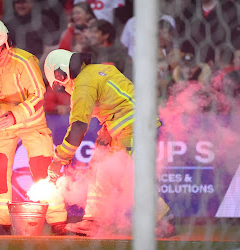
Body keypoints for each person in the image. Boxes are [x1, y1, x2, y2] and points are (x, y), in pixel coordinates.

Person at [43, 49, 173, 237]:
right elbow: (118, 98)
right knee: (99, 168)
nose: (62, 88)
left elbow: (78, 127)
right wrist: (107, 128)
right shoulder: (97, 70)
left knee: (128, 177)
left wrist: (58, 159)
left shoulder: (83, 84)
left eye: (58, 84)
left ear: (60, 74)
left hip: (134, 127)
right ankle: (93, 221)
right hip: (132, 125)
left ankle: (165, 222)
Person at [0, 17, 67, 235]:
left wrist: (14, 115)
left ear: (6, 43)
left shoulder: (25, 61)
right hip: (0, 123)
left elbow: (38, 96)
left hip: (30, 122)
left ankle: (58, 222)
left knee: (43, 168)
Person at [4, 0, 60, 68]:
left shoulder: (43, 21)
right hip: (15, 65)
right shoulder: (8, 23)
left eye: (24, 2)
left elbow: (52, 47)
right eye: (18, 2)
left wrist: (41, 65)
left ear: (32, 3)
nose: (21, 6)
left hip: (40, 64)